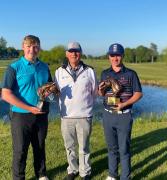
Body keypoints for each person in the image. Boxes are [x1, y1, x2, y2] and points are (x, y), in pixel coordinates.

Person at [1, 35, 51, 180]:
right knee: (20, 150)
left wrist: (50, 92)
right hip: (21, 115)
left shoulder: (44, 67)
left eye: (35, 46)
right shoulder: (14, 68)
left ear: (39, 48)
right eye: (29, 46)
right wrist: (29, 108)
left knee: (40, 146)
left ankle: (41, 174)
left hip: (41, 114)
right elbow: (6, 94)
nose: (32, 49)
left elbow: (49, 87)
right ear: (23, 47)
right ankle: (18, 177)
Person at [98, 43, 143, 180]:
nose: (115, 58)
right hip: (108, 114)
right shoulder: (105, 73)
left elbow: (138, 93)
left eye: (118, 55)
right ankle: (112, 174)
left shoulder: (131, 74)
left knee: (124, 149)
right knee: (112, 148)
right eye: (112, 55)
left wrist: (124, 104)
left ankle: (125, 176)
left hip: (124, 115)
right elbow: (101, 94)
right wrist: (100, 90)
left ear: (122, 56)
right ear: (109, 57)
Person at [55, 42, 98, 180]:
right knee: (69, 146)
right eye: (71, 51)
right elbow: (55, 93)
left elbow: (94, 92)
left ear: (80, 53)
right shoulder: (58, 71)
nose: (74, 53)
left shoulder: (89, 71)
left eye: (77, 51)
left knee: (84, 147)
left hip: (84, 116)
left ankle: (85, 171)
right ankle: (72, 170)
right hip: (66, 116)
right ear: (67, 54)